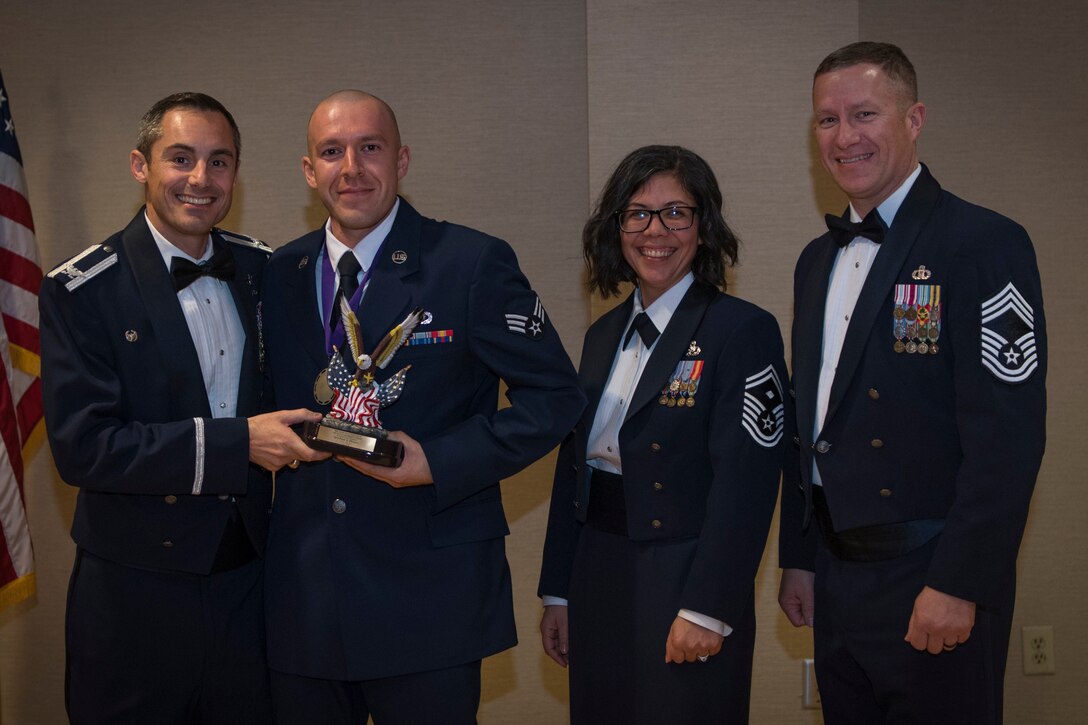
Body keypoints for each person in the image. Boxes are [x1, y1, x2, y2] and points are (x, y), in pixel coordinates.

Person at [258, 89, 584, 724]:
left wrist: (438, 459)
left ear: (401, 159)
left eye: (369, 147)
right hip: (306, 598)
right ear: (309, 170)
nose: (351, 167)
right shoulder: (281, 270)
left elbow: (557, 397)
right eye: (332, 152)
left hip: (430, 595)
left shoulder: (469, 262)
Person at [778, 42, 1047, 724]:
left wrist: (959, 580)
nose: (845, 136)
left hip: (931, 570)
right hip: (839, 578)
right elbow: (810, 424)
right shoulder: (816, 261)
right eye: (827, 121)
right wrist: (800, 556)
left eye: (864, 113)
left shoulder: (982, 241)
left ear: (914, 117)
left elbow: (1006, 437)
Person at [39, 92, 326, 724]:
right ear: (141, 166)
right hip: (133, 593)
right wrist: (237, 445)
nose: (201, 179)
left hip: (248, 586)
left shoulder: (262, 270)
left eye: (219, 162)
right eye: (181, 158)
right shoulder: (83, 290)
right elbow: (84, 448)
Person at [538, 145, 788, 724]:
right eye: (638, 213)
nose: (656, 230)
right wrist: (559, 591)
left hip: (684, 573)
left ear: (704, 227)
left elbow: (747, 483)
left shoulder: (741, 330)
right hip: (598, 568)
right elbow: (574, 466)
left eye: (677, 212)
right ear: (617, 227)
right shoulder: (602, 334)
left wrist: (709, 605)